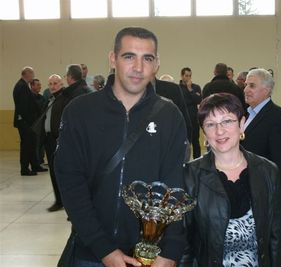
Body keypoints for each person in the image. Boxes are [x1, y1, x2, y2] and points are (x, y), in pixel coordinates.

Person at [55, 27, 187, 267]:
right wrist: (104, 249)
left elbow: (175, 187)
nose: (138, 67)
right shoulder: (80, 112)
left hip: (150, 255)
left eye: (147, 58)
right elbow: (71, 183)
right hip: (92, 252)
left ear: (156, 64)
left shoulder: (170, 116)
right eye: (129, 56)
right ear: (113, 59)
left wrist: (171, 251)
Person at [180, 93, 281, 267]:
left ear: (242, 124)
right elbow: (184, 243)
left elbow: (276, 236)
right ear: (204, 131)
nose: (219, 131)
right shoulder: (190, 176)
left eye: (227, 121)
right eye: (210, 124)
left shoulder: (268, 171)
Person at [241, 68, 281, 207]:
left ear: (266, 90)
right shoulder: (248, 114)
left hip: (263, 189)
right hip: (246, 187)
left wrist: (278, 198)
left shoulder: (276, 116)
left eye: (252, 85)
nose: (246, 89)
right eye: (246, 85)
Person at [12, 66, 46, 175]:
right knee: (27, 146)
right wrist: (30, 122)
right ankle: (25, 169)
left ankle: (35, 165)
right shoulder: (22, 86)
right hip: (25, 123)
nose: (33, 76)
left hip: (26, 122)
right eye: (32, 74)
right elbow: (23, 107)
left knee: (31, 144)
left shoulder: (22, 85)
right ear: (28, 74)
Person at [43, 74, 65, 212]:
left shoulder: (63, 99)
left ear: (61, 84)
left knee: (59, 171)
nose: (52, 86)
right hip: (48, 139)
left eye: (55, 83)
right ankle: (58, 199)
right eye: (50, 83)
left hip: (58, 139)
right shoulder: (50, 99)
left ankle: (62, 200)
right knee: (52, 170)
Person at [179, 67, 202, 159]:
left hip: (193, 118)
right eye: (186, 75)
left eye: (190, 76)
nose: (188, 78)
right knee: (183, 141)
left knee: (195, 141)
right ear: (182, 76)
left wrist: (190, 89)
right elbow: (181, 101)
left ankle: (197, 161)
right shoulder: (177, 88)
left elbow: (198, 100)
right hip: (182, 119)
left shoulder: (196, 87)